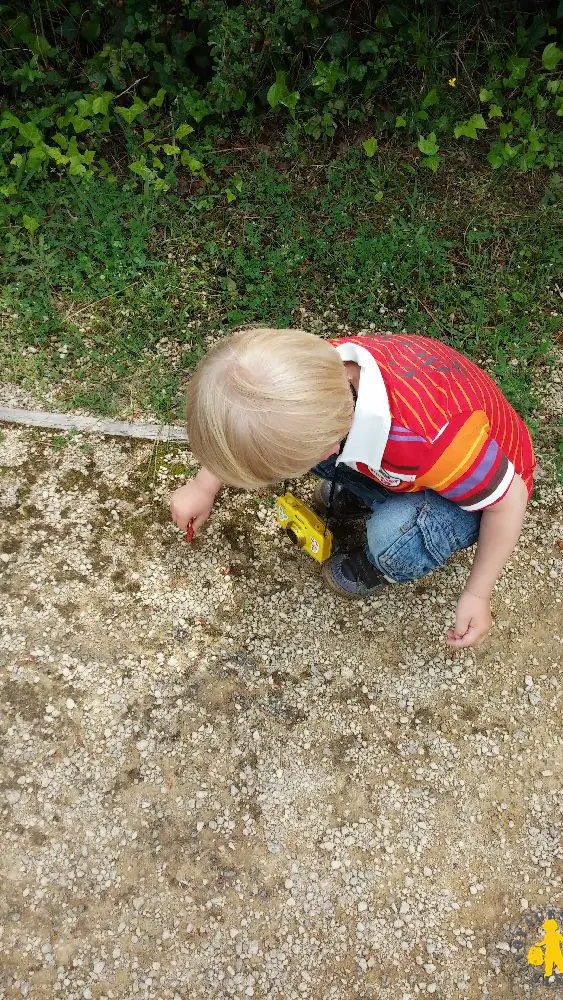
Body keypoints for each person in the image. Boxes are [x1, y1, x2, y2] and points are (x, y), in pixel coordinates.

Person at [170, 328, 535, 649]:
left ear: (332, 444)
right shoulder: (311, 374)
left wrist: (477, 593)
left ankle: (381, 562)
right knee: (303, 454)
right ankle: (373, 491)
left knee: (395, 538)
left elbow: (511, 498)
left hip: (483, 491)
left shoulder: (429, 440)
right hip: (417, 455)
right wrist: (204, 484)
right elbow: (246, 419)